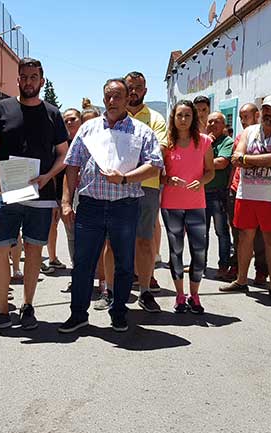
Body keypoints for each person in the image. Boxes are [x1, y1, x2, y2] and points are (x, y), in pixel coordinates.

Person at [58, 78, 163, 333]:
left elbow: (155, 163)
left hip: (125, 206)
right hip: (91, 206)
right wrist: (66, 201)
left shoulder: (141, 131)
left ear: (128, 99)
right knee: (83, 263)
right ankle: (78, 314)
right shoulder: (89, 128)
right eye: (108, 96)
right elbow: (72, 165)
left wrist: (126, 178)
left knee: (125, 263)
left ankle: (119, 313)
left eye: (117, 96)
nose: (112, 101)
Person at [0, 58, 69, 336]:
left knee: (32, 253)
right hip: (8, 194)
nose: (28, 81)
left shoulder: (53, 114)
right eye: (23, 76)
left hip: (40, 196)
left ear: (41, 80)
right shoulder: (1, 109)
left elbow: (63, 154)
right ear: (17, 79)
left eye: (33, 77)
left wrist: (47, 177)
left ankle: (28, 306)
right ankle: (2, 311)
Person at [231, 95, 271, 301]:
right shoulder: (249, 131)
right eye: (265, 109)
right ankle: (241, 280)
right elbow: (236, 158)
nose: (268, 113)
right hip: (246, 193)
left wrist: (247, 159)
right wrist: (259, 160)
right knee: (244, 239)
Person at [161, 100, 214, 314]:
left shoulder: (204, 142)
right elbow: (157, 174)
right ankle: (180, 295)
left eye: (187, 116)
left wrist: (201, 181)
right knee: (176, 251)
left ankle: (195, 295)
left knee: (199, 252)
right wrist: (167, 179)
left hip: (196, 205)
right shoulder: (166, 144)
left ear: (194, 118)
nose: (183, 120)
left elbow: (210, 171)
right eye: (179, 115)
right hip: (171, 205)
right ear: (173, 118)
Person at [124, 71, 167, 312]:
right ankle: (113, 287)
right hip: (116, 187)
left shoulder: (156, 118)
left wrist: (127, 157)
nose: (134, 91)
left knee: (144, 239)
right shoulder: (113, 116)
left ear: (145, 91)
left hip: (147, 187)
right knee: (116, 240)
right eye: (130, 86)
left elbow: (158, 150)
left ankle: (146, 287)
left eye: (138, 87)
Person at [220, 103, 269, 292]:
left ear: (257, 116)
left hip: (259, 191)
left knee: (260, 236)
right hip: (236, 189)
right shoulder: (240, 137)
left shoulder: (265, 136)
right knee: (238, 233)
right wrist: (229, 186)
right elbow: (235, 163)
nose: (242, 120)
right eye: (240, 117)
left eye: (245, 116)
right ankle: (239, 270)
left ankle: (261, 272)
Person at [41, 109, 82, 275]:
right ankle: (52, 259)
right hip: (57, 192)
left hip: (80, 194)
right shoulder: (58, 142)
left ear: (80, 120)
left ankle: (81, 266)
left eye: (73, 119)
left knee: (75, 232)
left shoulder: (86, 140)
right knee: (52, 226)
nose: (69, 122)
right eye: (66, 120)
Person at [204, 111, 234, 280]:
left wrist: (200, 162)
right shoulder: (204, 141)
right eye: (210, 122)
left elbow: (222, 163)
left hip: (218, 193)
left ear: (223, 126)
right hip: (201, 192)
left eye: (217, 122)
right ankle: (200, 264)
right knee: (202, 232)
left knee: (221, 231)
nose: (213, 125)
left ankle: (223, 265)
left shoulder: (227, 141)